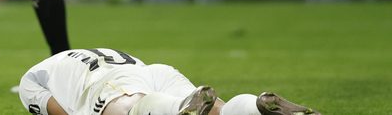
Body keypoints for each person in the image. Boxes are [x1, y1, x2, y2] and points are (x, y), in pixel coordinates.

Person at [18, 48, 320, 115]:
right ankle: (256, 106)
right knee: (218, 111)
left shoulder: (29, 82)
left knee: (125, 110)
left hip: (111, 82)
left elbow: (62, 112)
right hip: (154, 71)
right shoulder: (71, 57)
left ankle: (177, 110)